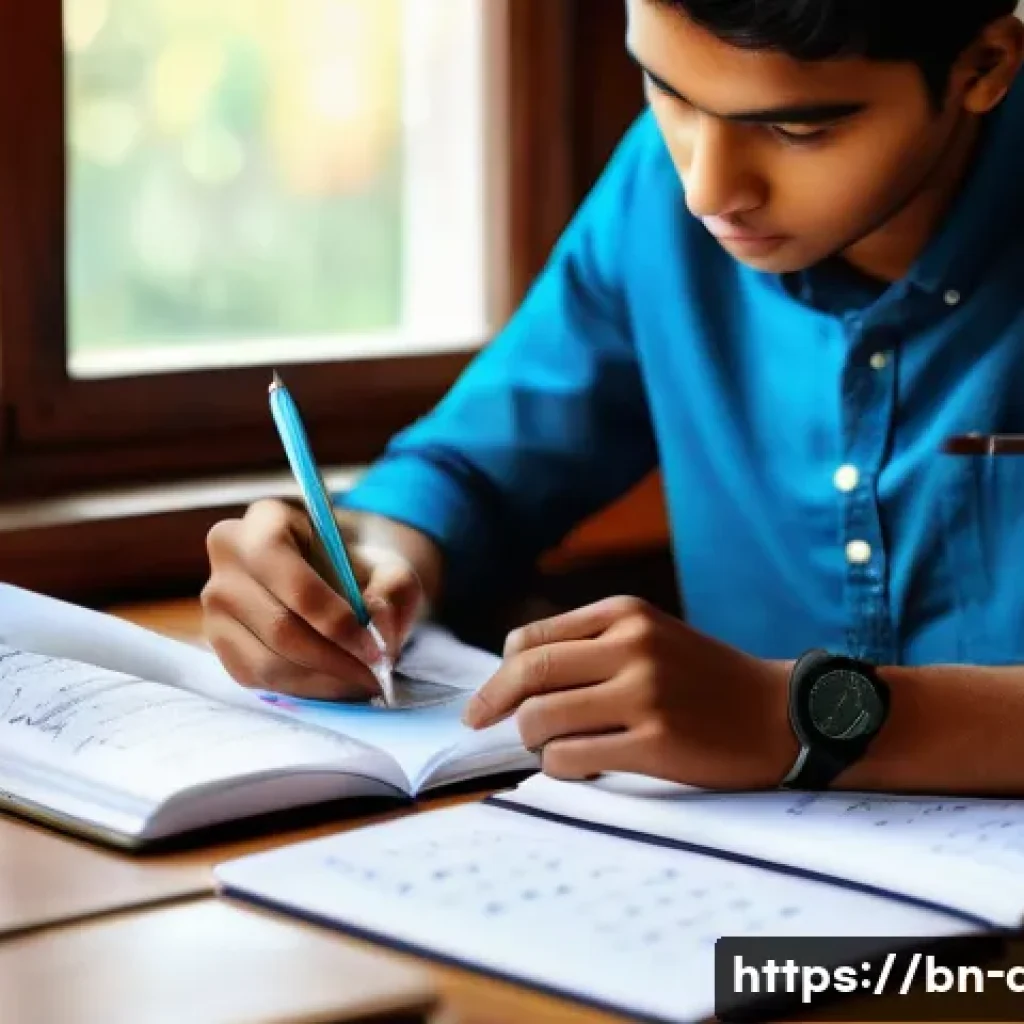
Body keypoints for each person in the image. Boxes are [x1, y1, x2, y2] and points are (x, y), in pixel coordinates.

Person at [202, 0, 1024, 796]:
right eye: (667, 91)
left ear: (983, 66)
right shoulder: (658, 189)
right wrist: (366, 565)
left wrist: (794, 719)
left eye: (795, 130)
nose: (707, 189)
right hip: (742, 868)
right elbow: (472, 470)